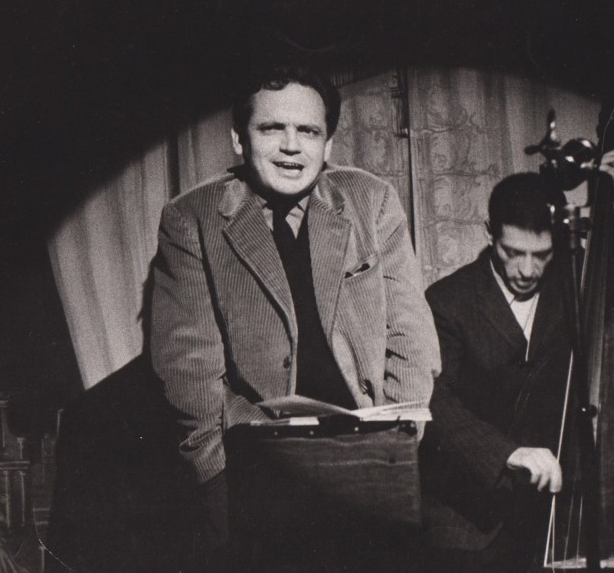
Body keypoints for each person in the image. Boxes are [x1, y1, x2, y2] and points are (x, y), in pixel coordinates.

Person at [148, 65, 440, 570]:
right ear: (239, 139)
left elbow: (410, 334)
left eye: (307, 131)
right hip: (256, 469)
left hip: (368, 462)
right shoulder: (191, 217)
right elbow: (188, 370)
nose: (291, 146)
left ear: (328, 143)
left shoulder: (371, 201)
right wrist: (217, 480)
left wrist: (396, 442)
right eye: (271, 129)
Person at [420, 150, 614, 571]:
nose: (527, 270)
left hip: (563, 513)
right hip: (472, 522)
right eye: (513, 252)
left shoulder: (578, 276)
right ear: (489, 233)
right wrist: (509, 453)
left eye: (541, 254)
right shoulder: (447, 301)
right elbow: (435, 401)